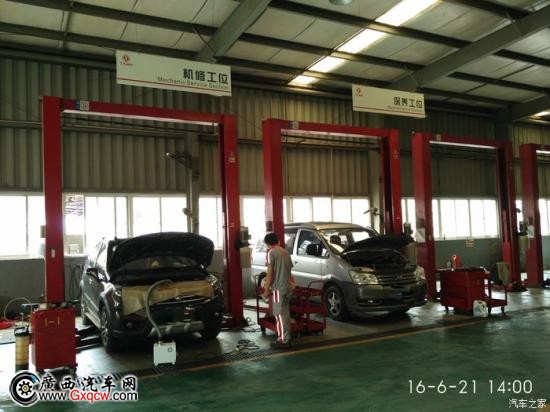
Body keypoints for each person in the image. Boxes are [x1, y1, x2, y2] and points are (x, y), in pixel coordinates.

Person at [262, 232, 293, 349]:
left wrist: (266, 289)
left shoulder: (271, 252)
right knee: (285, 314)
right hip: (287, 288)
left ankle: (282, 340)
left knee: (279, 315)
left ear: (267, 243)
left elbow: (270, 272)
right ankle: (287, 337)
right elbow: (289, 271)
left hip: (278, 289)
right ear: (278, 241)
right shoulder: (285, 252)